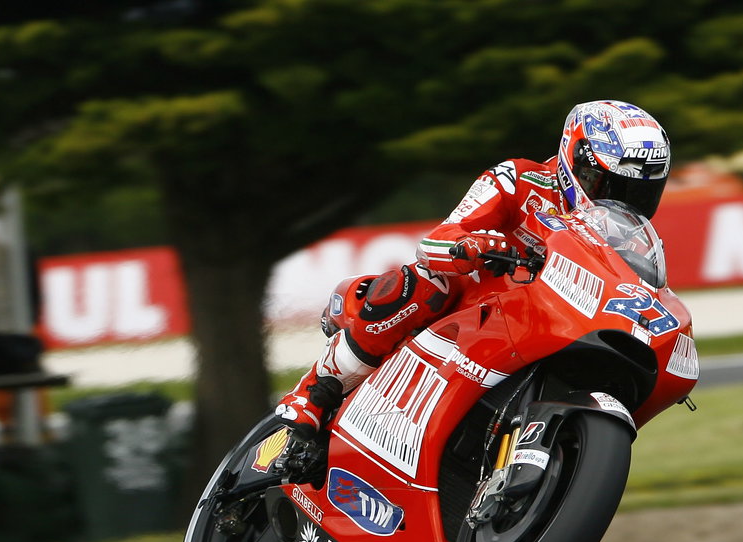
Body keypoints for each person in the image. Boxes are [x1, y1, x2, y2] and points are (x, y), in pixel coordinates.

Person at [272, 99, 673, 480]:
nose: (621, 202)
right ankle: (313, 394)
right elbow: (436, 241)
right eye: (610, 185)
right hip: (467, 312)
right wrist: (472, 246)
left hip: (540, 327)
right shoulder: (519, 179)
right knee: (426, 282)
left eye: (639, 194)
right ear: (577, 160)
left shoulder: (629, 240)